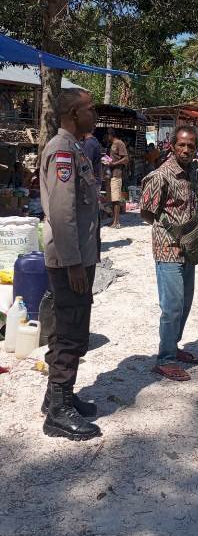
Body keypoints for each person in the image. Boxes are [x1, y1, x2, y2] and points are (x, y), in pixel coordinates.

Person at [40, 89, 101, 441]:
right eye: (90, 109)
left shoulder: (75, 147)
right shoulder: (63, 150)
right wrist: (74, 263)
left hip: (77, 255)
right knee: (71, 332)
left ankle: (56, 397)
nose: (94, 114)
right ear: (74, 113)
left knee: (72, 326)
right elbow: (62, 214)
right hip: (69, 259)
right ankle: (57, 414)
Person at [140, 125, 198, 381]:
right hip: (168, 248)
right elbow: (146, 212)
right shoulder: (161, 175)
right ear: (172, 145)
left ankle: (173, 346)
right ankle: (164, 359)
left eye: (191, 145)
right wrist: (168, 232)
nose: (186, 149)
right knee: (172, 306)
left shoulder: (191, 173)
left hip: (188, 248)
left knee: (185, 302)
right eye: (181, 144)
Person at [107, 128, 129, 228]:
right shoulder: (112, 145)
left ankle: (117, 222)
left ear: (111, 135)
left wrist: (114, 163)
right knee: (113, 198)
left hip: (117, 173)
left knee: (116, 198)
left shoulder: (120, 144)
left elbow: (125, 158)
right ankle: (114, 220)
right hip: (112, 173)